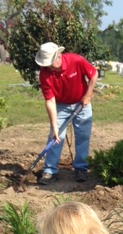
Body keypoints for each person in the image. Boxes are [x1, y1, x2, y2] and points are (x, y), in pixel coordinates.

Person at [35, 42, 98, 185]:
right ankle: (50, 170)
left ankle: (81, 168)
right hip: (60, 106)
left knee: (83, 136)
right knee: (56, 137)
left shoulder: (76, 60)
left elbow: (94, 75)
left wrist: (88, 95)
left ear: (58, 56)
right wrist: (54, 126)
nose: (48, 67)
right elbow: (50, 102)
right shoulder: (45, 74)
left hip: (81, 103)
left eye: (50, 63)